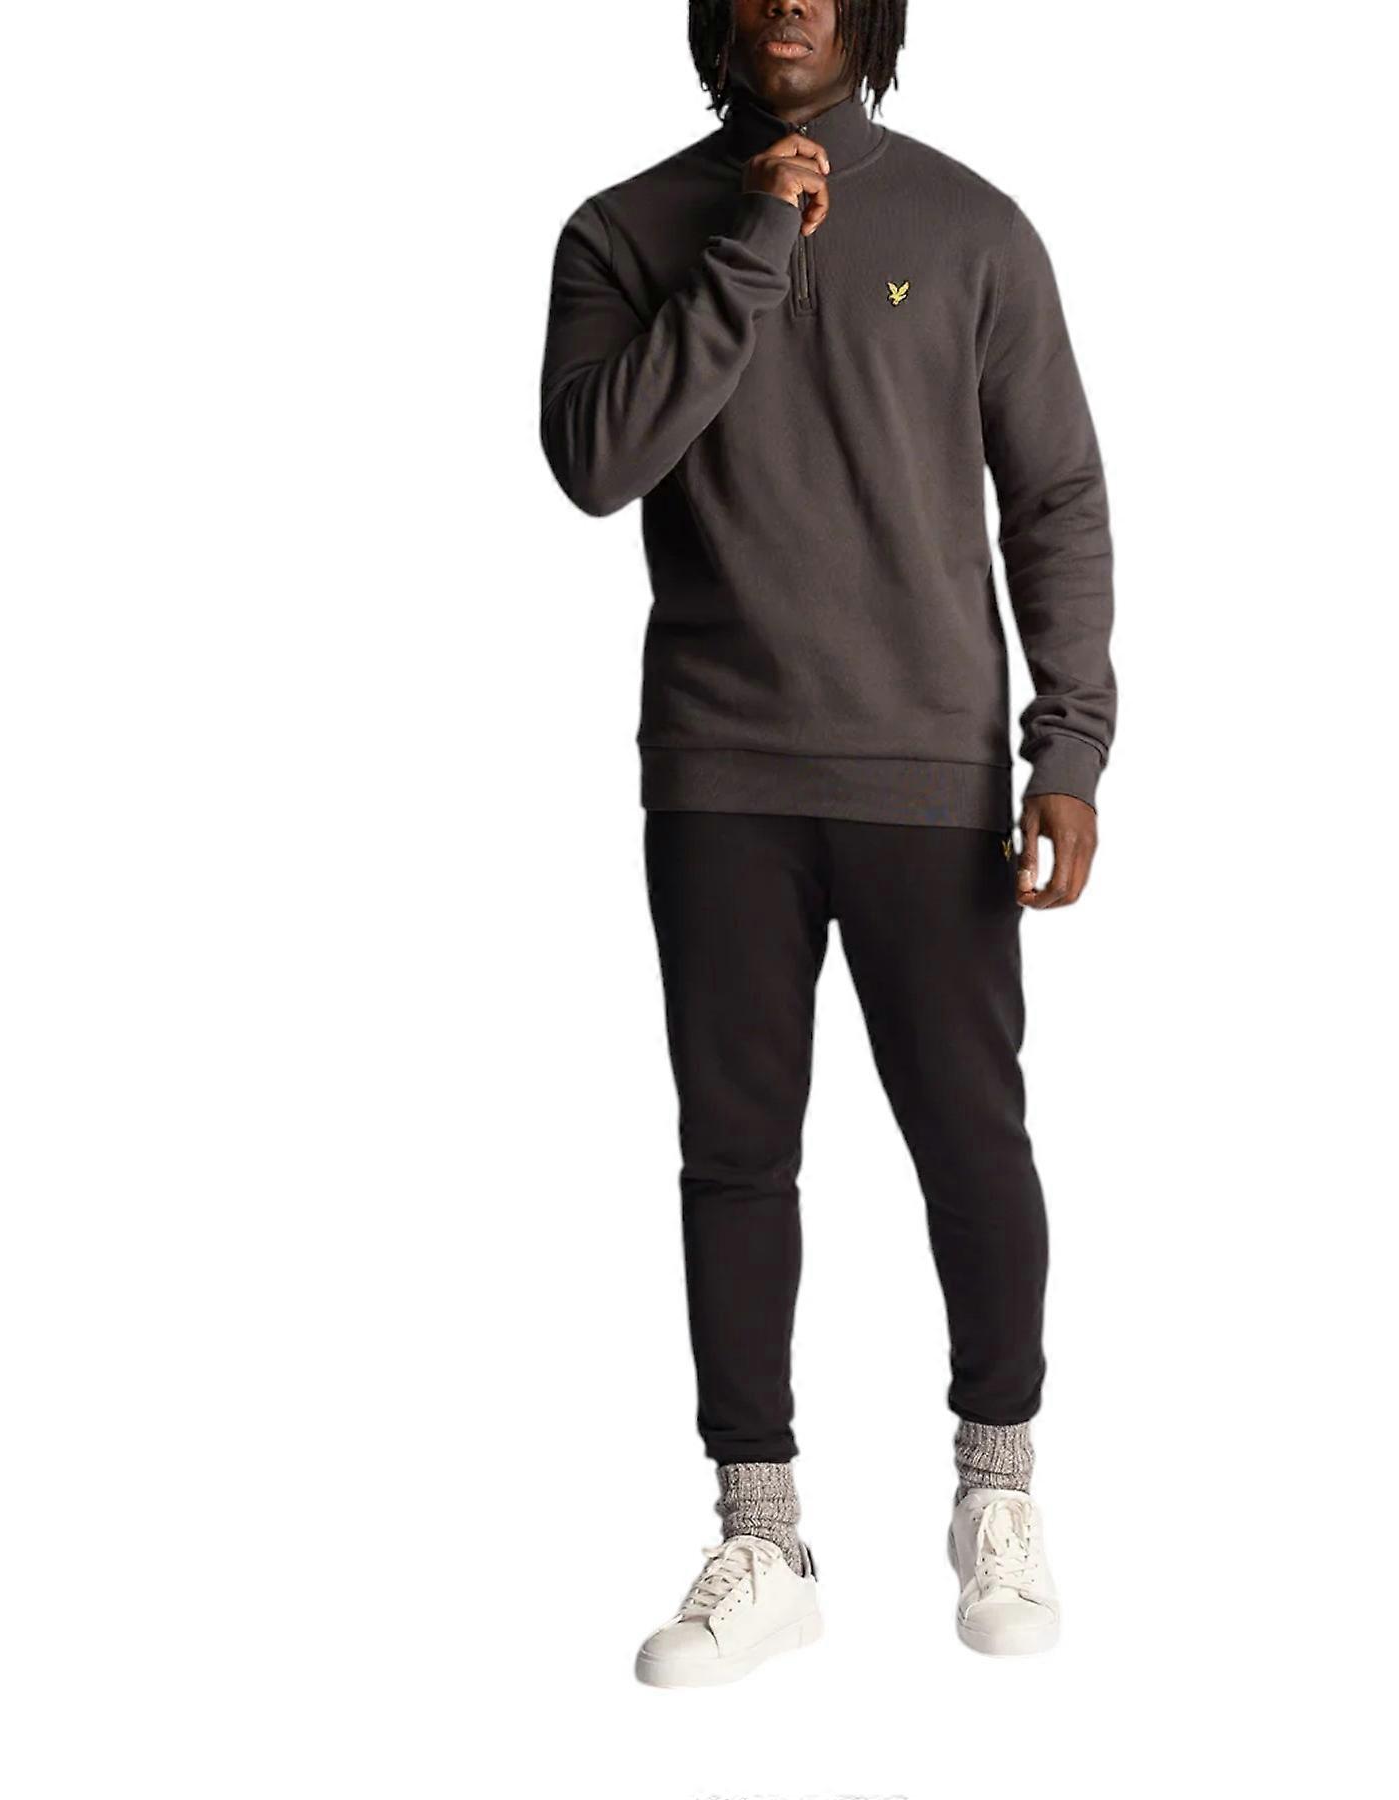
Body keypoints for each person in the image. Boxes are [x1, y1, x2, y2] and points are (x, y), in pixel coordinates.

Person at [539, 0, 1115, 1686]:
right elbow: (596, 462)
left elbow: (1056, 495)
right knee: (736, 1156)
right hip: (719, 771)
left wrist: (1069, 747)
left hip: (927, 767)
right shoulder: (626, 230)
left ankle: (997, 1491)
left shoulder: (973, 228)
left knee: (971, 1139)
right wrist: (750, 249)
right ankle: (761, 1532)